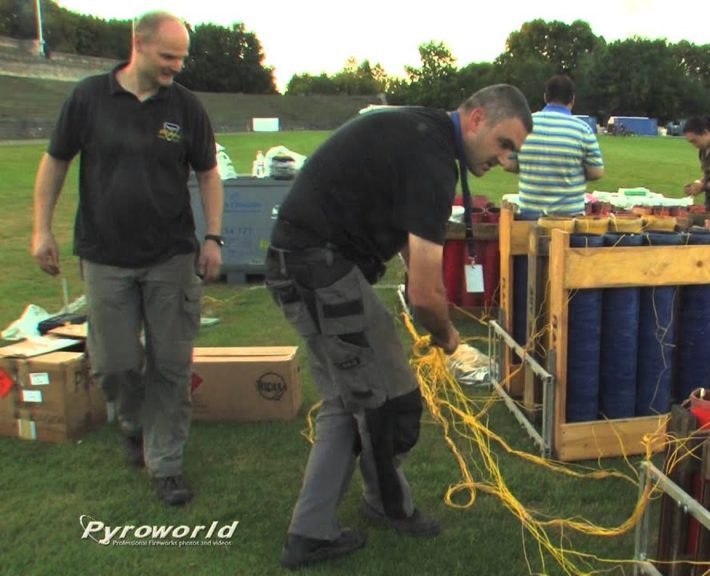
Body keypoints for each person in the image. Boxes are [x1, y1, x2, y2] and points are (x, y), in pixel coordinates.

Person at [266, 85, 532, 570]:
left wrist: (430, 309)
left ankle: (313, 528)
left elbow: (416, 255)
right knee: (390, 404)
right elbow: (426, 294)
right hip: (322, 272)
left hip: (304, 265)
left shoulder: (423, 133)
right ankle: (382, 506)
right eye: (504, 143)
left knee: (348, 403)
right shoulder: (431, 159)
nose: (507, 159)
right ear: (475, 119)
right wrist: (453, 344)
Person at [31, 11, 223, 507]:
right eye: (167, 57)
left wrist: (214, 238)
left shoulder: (185, 106)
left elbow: (208, 173)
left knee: (171, 364)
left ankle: (166, 464)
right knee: (115, 364)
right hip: (104, 255)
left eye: (181, 58)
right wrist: (41, 229)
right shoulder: (89, 98)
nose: (175, 68)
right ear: (136, 43)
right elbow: (55, 161)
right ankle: (134, 422)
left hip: (171, 257)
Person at [505, 75, 604, 215]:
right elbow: (596, 172)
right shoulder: (583, 129)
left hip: (529, 216)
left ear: (545, 97)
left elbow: (509, 164)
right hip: (569, 220)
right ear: (572, 99)